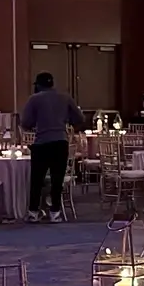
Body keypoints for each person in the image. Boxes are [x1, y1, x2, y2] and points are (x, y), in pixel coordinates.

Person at [20, 71, 85, 222]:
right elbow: (79, 118)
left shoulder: (34, 99)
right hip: (60, 142)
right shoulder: (65, 97)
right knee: (57, 180)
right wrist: (65, 120)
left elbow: (25, 123)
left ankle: (33, 213)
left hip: (42, 143)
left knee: (37, 180)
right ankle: (55, 213)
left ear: (39, 85)